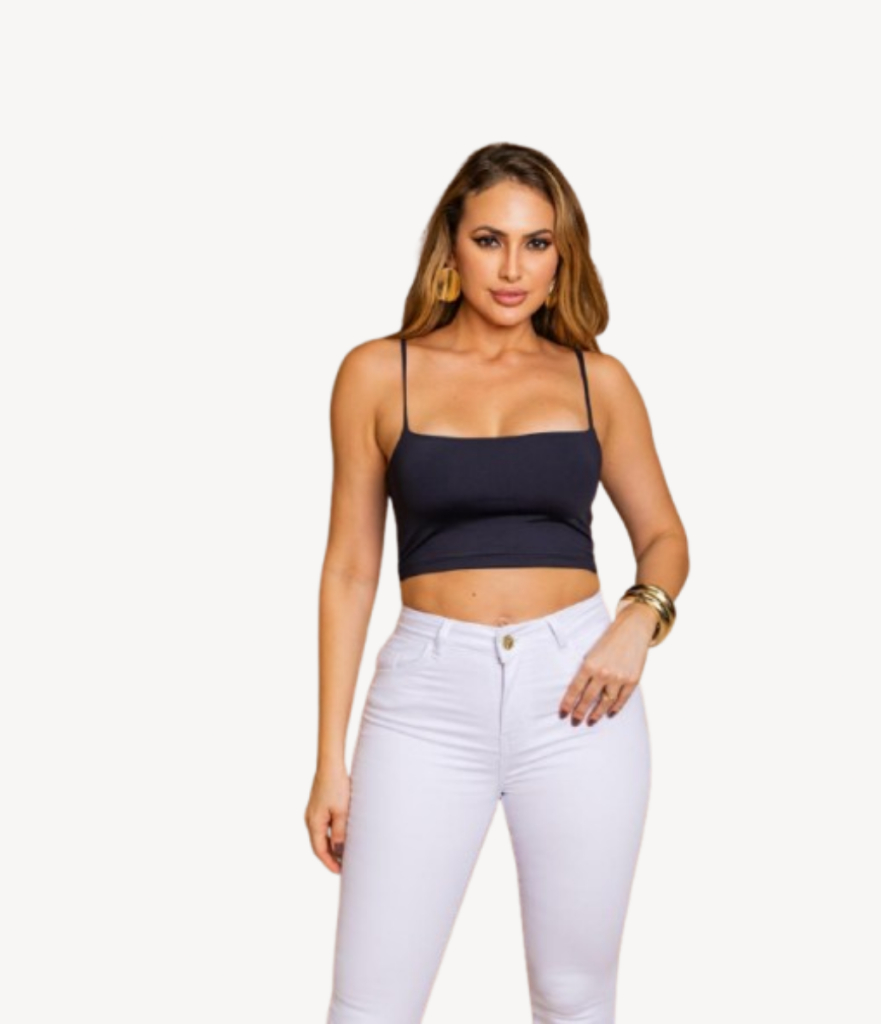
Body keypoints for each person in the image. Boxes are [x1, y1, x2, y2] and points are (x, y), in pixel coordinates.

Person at [307, 142, 690, 1024]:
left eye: (536, 243)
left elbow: (665, 537)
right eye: (490, 240)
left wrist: (638, 620)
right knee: (370, 1005)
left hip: (580, 696)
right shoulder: (377, 373)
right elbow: (351, 569)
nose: (513, 269)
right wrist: (330, 760)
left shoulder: (599, 381)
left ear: (562, 257)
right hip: (426, 700)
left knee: (575, 996)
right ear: (451, 246)